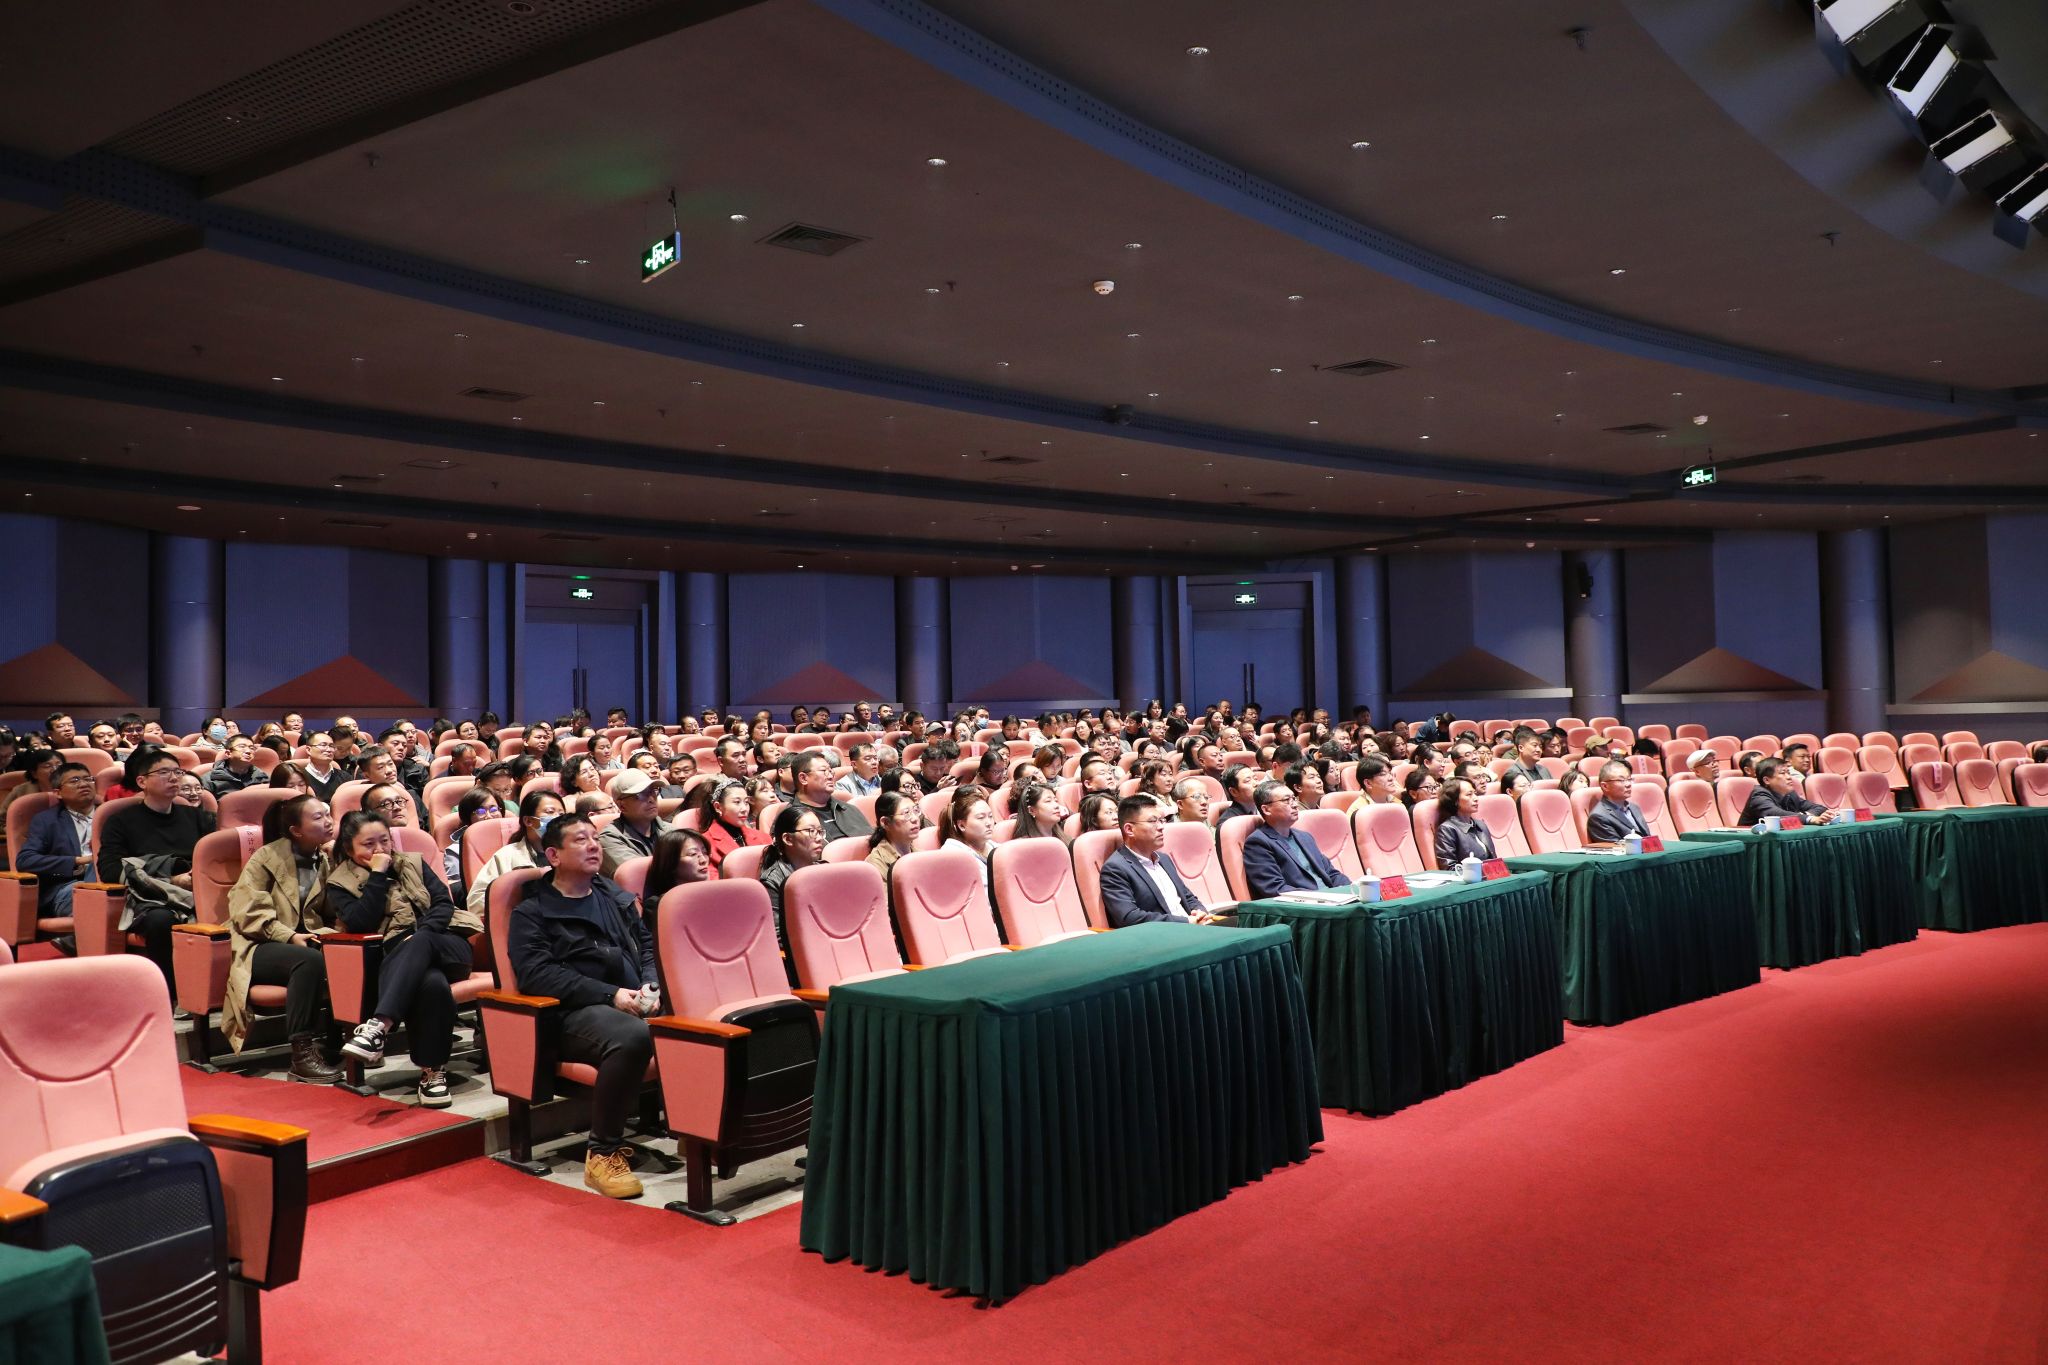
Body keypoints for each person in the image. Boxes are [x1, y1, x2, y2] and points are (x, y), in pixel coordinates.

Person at [506, 813, 659, 1199]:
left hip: (630, 999)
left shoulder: (610, 894)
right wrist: (611, 994)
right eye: (580, 839)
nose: (593, 845)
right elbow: (537, 976)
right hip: (570, 1014)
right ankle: (603, 1152)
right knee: (632, 1036)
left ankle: (705, 1133)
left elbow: (646, 944)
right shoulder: (532, 912)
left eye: (595, 837)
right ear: (553, 855)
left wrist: (650, 984)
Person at [325, 811, 479, 1107]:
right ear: (348, 848)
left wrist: (421, 935)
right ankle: (433, 1073)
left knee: (422, 944)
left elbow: (443, 904)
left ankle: (379, 1026)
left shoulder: (414, 862)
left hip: (447, 944)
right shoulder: (339, 882)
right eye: (368, 844)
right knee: (432, 984)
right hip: (398, 961)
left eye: (384, 841)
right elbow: (360, 922)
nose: (380, 849)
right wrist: (377, 875)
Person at [224, 795, 341, 1083]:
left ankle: (343, 1038)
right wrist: (288, 936)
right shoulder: (266, 857)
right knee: (308, 960)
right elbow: (247, 913)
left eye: (328, 814)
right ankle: (302, 1055)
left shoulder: (323, 859)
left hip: (305, 939)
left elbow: (328, 911)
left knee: (354, 951)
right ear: (296, 830)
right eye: (318, 817)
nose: (328, 821)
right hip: (259, 944)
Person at [93, 745, 217, 989]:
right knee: (160, 920)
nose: (174, 778)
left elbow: (214, 860)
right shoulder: (120, 821)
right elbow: (110, 870)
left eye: (178, 772)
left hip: (198, 890)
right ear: (142, 781)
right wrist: (170, 880)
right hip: (148, 897)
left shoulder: (197, 817)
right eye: (163, 772)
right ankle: (169, 991)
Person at [1100, 794, 1222, 926]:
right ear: (1129, 829)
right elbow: (1129, 917)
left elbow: (1187, 896)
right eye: (1153, 821)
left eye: (1161, 820)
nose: (1161, 827)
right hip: (1164, 934)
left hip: (1195, 927)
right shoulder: (1115, 869)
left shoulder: (1164, 859)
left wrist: (1200, 913)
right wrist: (1186, 921)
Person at [16, 762, 98, 920]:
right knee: (100, 862)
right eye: (74, 780)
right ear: (58, 793)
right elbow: (25, 860)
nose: (83, 784)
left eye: (88, 779)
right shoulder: (47, 820)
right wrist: (78, 861)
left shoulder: (111, 815)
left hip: (112, 884)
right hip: (68, 889)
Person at [1241, 780, 1351, 899]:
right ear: (1266, 809)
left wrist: (1353, 890)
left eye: (1293, 798)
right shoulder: (1258, 843)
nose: (1294, 805)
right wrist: (1322, 897)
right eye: (1286, 800)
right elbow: (1275, 888)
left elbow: (1331, 873)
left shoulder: (1305, 837)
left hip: (1332, 899)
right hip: (1307, 905)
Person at [466, 788, 563, 916]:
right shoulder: (507, 856)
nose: (557, 818)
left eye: (561, 814)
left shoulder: (572, 852)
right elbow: (476, 902)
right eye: (550, 812)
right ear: (528, 821)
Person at [756, 806, 824, 972]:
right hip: (804, 959)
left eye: (820, 831)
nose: (819, 838)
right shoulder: (772, 881)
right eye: (811, 831)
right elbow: (778, 935)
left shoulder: (825, 870)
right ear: (787, 839)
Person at [598, 769, 673, 878]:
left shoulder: (671, 830)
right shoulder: (609, 839)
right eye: (640, 795)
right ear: (622, 805)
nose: (651, 799)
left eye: (653, 791)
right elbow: (639, 876)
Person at [786, 750, 873, 842]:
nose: (831, 777)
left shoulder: (849, 809)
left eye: (830, 771)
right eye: (824, 771)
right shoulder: (791, 819)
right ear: (803, 778)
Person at [443, 786, 504, 904]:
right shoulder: (455, 850)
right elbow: (455, 890)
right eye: (480, 812)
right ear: (468, 818)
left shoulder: (515, 840)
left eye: (493, 809)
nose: (489, 816)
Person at [1740, 758, 1834, 826]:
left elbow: (1819, 808)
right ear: (1767, 780)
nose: (1789, 777)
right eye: (1782, 773)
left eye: (1788, 773)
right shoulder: (1759, 795)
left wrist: (1804, 815)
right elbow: (1775, 814)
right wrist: (1811, 819)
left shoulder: (1790, 794)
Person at [702, 779, 768, 873]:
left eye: (746, 802)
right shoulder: (705, 843)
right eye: (737, 802)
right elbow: (711, 878)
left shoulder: (763, 837)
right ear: (718, 807)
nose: (744, 809)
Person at [1584, 761, 1653, 843]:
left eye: (1629, 779)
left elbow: (1648, 838)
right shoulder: (1599, 817)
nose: (1628, 784)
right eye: (1621, 780)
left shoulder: (1634, 807)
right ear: (1605, 786)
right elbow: (1617, 847)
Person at [1433, 779, 1496, 866]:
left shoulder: (1481, 825)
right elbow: (1449, 867)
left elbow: (1494, 859)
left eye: (1475, 793)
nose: (1476, 798)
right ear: (1455, 800)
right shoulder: (1447, 829)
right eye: (1469, 794)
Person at [865, 791, 921, 887]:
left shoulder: (921, 855)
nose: (915, 819)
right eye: (906, 813)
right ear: (885, 822)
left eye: (916, 811)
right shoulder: (875, 864)